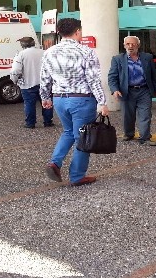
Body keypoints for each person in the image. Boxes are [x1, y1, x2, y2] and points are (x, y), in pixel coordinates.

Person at [40, 18, 109, 186]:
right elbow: (93, 80)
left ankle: (55, 163)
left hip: (59, 100)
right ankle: (77, 176)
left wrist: (45, 97)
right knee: (83, 137)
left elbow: (44, 78)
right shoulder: (87, 52)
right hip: (81, 100)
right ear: (77, 31)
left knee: (68, 132)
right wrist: (102, 102)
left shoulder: (49, 52)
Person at [108, 36, 156, 146]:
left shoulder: (147, 57)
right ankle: (129, 134)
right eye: (128, 44)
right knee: (127, 115)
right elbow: (112, 77)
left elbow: (153, 75)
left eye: (133, 44)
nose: (130, 46)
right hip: (126, 91)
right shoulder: (117, 59)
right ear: (124, 46)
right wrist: (115, 90)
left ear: (138, 45)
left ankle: (145, 138)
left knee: (145, 115)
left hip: (144, 90)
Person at [11, 36, 54, 129]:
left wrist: (14, 80)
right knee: (46, 101)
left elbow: (15, 70)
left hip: (27, 84)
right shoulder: (44, 52)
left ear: (22, 45)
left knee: (29, 104)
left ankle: (30, 123)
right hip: (44, 83)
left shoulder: (20, 55)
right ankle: (48, 122)